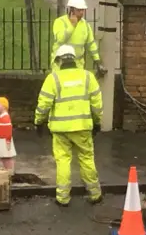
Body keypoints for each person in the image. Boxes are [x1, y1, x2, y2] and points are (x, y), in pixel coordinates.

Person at [34, 44, 103, 207]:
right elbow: (97, 104)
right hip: (83, 127)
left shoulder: (53, 78)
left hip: (60, 130)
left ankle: (63, 198)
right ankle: (95, 194)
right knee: (86, 159)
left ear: (58, 61)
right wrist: (97, 122)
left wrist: (38, 121)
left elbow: (43, 104)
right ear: (75, 59)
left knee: (63, 161)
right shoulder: (88, 77)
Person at [51, 0, 107, 77]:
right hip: (60, 64)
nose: (82, 12)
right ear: (72, 10)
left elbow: (91, 45)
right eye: (79, 10)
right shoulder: (60, 22)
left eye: (83, 10)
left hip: (78, 65)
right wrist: (72, 26)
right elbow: (60, 39)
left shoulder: (85, 25)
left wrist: (97, 61)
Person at [0, 97, 17, 173]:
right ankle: (8, 172)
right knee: (3, 156)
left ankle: (10, 173)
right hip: (1, 138)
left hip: (5, 139)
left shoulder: (5, 117)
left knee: (7, 156)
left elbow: (8, 130)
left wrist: (8, 141)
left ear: (3, 106)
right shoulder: (0, 116)